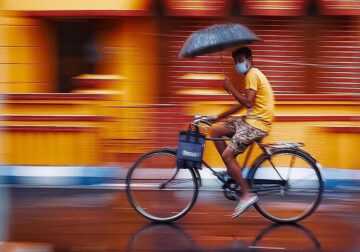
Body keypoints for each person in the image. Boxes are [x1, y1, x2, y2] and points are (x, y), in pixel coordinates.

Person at [206, 47, 275, 218]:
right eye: (236, 61)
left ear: (249, 60)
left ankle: (246, 195)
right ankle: (232, 169)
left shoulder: (252, 74)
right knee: (216, 131)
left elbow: (248, 102)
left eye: (240, 60)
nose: (238, 64)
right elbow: (242, 105)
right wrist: (217, 117)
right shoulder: (251, 76)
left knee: (227, 155)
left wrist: (230, 87)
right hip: (251, 121)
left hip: (258, 125)